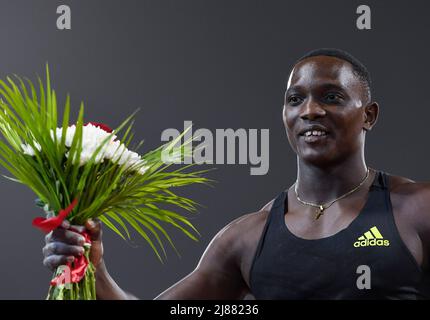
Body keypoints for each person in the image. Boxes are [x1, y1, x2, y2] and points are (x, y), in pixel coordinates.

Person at [42, 48, 430, 299]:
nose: (310, 110)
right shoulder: (247, 237)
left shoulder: (415, 210)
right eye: (296, 100)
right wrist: (93, 266)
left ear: (369, 115)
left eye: (331, 96)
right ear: (285, 116)